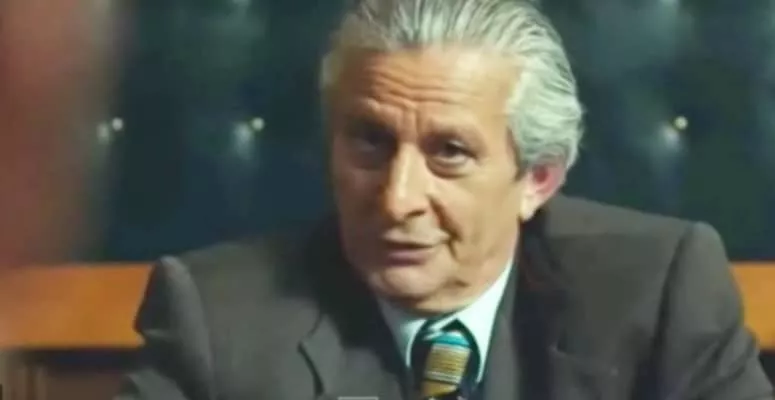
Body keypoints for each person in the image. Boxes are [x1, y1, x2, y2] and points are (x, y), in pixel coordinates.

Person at [115, 0, 774, 399]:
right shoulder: (215, 317)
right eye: (370, 142)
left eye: (449, 152)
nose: (397, 199)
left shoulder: (657, 291)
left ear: (537, 180)